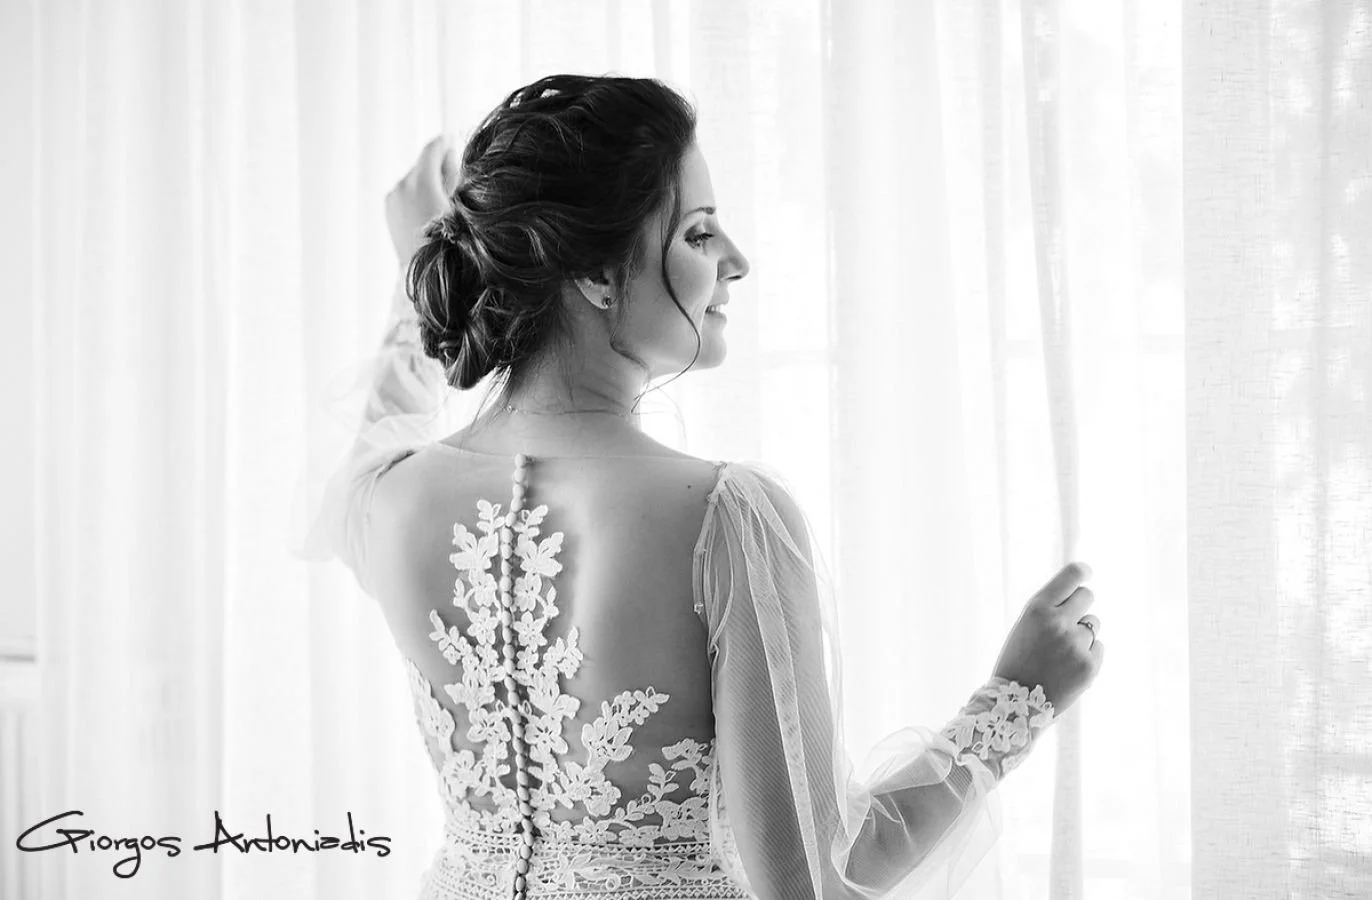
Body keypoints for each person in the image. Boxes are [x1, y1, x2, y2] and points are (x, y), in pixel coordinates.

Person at [294, 74, 1104, 900]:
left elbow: (378, 435)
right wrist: (1019, 700)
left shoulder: (386, 499)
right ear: (599, 276)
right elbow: (821, 878)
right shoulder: (729, 518)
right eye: (701, 232)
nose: (737, 261)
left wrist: (412, 284)